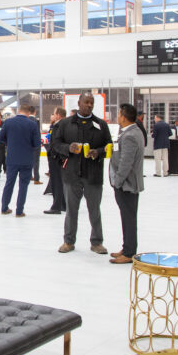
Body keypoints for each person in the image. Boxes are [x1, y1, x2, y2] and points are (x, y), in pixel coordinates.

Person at [53, 93, 112, 255]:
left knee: (95, 209)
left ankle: (97, 242)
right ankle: (68, 241)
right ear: (79, 103)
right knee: (71, 210)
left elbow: (109, 145)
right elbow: (56, 144)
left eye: (91, 103)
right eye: (86, 102)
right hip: (71, 174)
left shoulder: (100, 124)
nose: (89, 105)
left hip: (93, 175)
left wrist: (98, 152)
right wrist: (68, 148)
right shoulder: (65, 124)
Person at [109, 104, 145, 264]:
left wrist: (117, 181)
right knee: (126, 217)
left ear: (123, 117)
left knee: (129, 218)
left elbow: (126, 163)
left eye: (119, 114)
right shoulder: (131, 132)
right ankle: (127, 247)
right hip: (126, 183)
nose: (118, 116)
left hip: (127, 184)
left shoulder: (130, 135)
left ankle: (130, 252)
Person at [0, 104, 42, 217]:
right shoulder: (32, 124)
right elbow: (37, 143)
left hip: (12, 158)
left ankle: (4, 208)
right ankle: (19, 211)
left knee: (9, 183)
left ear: (19, 110)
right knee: (23, 185)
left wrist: (9, 143)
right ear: (29, 113)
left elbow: (0, 137)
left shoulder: (8, 122)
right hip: (26, 160)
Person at [43, 107, 67, 214]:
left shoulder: (58, 125)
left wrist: (50, 151)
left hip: (56, 159)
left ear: (58, 115)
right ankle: (63, 204)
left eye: (54, 113)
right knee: (61, 182)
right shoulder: (67, 124)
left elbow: (56, 143)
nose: (53, 115)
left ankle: (56, 206)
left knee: (57, 182)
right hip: (61, 158)